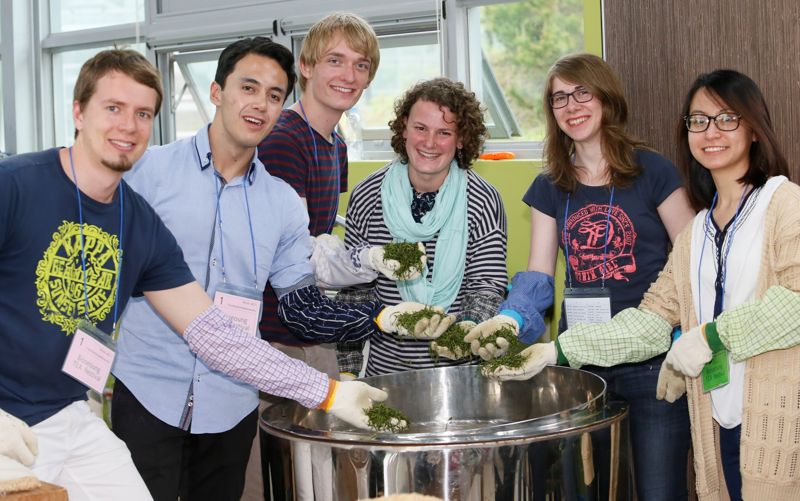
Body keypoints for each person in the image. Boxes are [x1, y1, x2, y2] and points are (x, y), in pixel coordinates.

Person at [0, 48, 428, 501]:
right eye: (113, 108)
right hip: (36, 415)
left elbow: (214, 334)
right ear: (78, 112)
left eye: (143, 113)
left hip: (72, 414)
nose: (128, 126)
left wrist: (327, 392)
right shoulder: (17, 185)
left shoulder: (139, 222)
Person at [490, 69, 800, 500]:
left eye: (727, 118)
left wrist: (708, 336)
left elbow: (797, 303)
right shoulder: (699, 233)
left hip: (775, 413)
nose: (711, 132)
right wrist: (558, 350)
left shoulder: (785, 203)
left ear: (754, 129)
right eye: (698, 121)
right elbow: (653, 319)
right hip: (716, 406)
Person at [467, 53, 695, 500]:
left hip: (652, 361)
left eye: (582, 92)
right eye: (559, 98)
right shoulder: (550, 184)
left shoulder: (654, 171)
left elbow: (692, 262)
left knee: (659, 491)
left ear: (606, 97)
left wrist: (688, 336)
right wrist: (512, 319)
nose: (572, 106)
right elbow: (538, 274)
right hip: (581, 363)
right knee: (585, 490)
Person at [337, 77, 508, 376]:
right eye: (420, 128)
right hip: (386, 375)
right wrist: (348, 372)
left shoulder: (483, 199)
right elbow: (354, 291)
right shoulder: (366, 195)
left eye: (444, 132)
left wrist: (465, 334)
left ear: (461, 139)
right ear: (404, 128)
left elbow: (487, 286)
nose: (430, 143)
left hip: (460, 374)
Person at [257, 12, 380, 378]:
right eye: (335, 61)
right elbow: (297, 254)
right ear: (306, 66)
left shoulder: (336, 146)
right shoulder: (283, 141)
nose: (349, 76)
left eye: (361, 65)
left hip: (313, 332)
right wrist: (367, 261)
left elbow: (321, 240)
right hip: (275, 337)